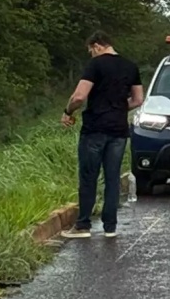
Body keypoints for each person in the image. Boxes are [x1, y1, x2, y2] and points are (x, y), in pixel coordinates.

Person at [60, 31, 144, 239]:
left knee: (89, 176)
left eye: (91, 50)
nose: (91, 54)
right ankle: (110, 226)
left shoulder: (95, 65)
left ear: (97, 46)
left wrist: (68, 111)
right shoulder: (130, 66)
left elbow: (79, 96)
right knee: (112, 177)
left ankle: (83, 225)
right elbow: (138, 99)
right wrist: (117, 107)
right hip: (118, 130)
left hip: (95, 129)